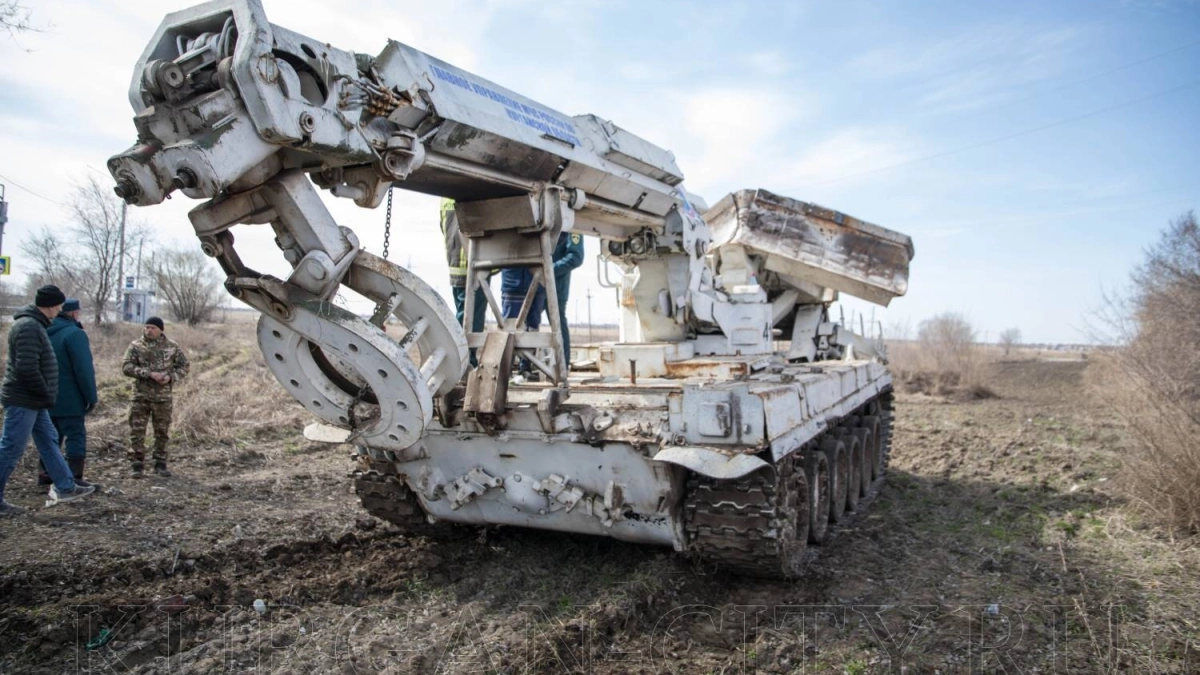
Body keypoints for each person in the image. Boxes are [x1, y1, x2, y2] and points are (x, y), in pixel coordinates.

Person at [0, 285, 97, 515]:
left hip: (35, 400)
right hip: (25, 399)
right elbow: (26, 367)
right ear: (52, 305)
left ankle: (65, 486)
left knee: (49, 439)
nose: (60, 310)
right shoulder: (29, 326)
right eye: (59, 305)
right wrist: (44, 392)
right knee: (12, 447)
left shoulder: (37, 325)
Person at [38, 298, 99, 490]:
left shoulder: (42, 331)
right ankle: (73, 477)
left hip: (46, 394)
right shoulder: (74, 334)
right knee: (75, 435)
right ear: (73, 314)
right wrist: (91, 396)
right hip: (70, 396)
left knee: (50, 435)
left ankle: (46, 475)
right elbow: (83, 369)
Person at [122, 316, 190, 478]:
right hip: (140, 396)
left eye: (152, 327)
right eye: (147, 327)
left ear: (161, 329)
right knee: (137, 431)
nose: (149, 330)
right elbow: (126, 367)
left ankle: (160, 463)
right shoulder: (136, 346)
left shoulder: (172, 347)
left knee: (162, 431)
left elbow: (184, 366)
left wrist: (171, 377)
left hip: (163, 398)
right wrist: (147, 373)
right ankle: (137, 464)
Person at [440, 198, 488, 335]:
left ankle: (463, 352)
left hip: (456, 264)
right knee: (471, 321)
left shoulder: (444, 198)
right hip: (475, 264)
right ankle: (467, 355)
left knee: (463, 314)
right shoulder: (470, 191)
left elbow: (443, 228)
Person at [550, 231, 585, 365]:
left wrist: (549, 269)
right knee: (528, 323)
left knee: (558, 322)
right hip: (535, 281)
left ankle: (562, 365)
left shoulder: (573, 226)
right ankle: (525, 368)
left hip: (557, 285)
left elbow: (576, 257)